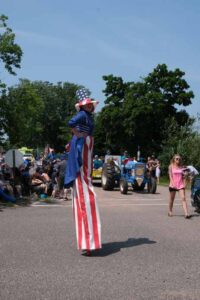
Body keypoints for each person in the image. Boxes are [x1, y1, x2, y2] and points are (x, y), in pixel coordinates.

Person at [64, 88, 101, 255]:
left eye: (91, 104)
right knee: (83, 188)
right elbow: (71, 122)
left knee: (84, 185)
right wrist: (78, 134)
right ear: (84, 105)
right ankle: (88, 241)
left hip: (84, 145)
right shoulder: (83, 115)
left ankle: (89, 241)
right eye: (89, 104)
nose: (91, 107)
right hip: (82, 146)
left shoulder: (88, 116)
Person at [168, 154, 191, 219]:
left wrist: (186, 176)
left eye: (179, 159)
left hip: (180, 185)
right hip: (173, 185)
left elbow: (184, 177)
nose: (178, 160)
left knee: (183, 198)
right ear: (174, 159)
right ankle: (170, 211)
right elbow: (170, 176)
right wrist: (172, 183)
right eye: (177, 159)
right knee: (171, 199)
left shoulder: (182, 167)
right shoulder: (170, 166)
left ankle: (186, 213)